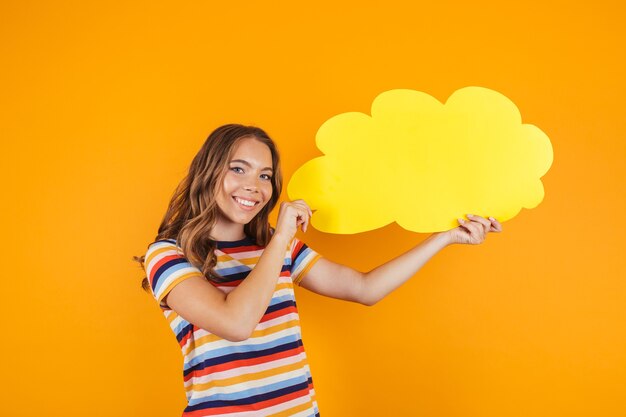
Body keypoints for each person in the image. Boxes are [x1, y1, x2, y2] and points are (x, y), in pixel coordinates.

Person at [136, 124, 502, 417]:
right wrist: (280, 239)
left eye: (265, 176)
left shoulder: (278, 247)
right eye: (238, 169)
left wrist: (445, 238)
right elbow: (236, 324)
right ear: (208, 171)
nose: (254, 186)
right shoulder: (168, 256)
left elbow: (364, 288)